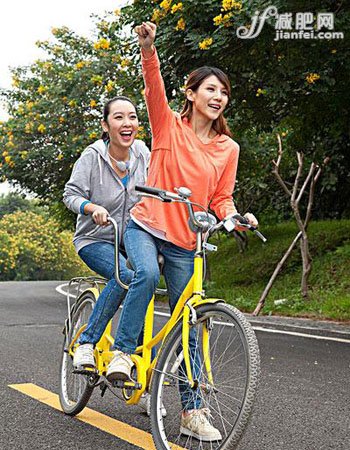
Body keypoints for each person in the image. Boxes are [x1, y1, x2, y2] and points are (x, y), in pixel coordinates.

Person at [105, 22, 258, 441]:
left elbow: (221, 198)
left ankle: (193, 411)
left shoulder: (229, 149)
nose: (218, 98)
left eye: (224, 93)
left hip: (187, 241)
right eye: (210, 89)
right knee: (145, 276)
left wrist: (235, 216)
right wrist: (148, 47)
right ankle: (122, 352)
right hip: (147, 225)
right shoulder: (169, 125)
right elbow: (152, 83)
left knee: (191, 321)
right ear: (192, 94)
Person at [63, 95, 150, 375]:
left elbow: (159, 190)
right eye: (119, 117)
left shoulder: (143, 154)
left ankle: (136, 372)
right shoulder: (92, 156)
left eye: (133, 117)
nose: (128, 123)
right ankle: (87, 342)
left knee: (144, 286)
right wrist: (91, 207)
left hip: (135, 239)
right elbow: (71, 194)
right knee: (124, 276)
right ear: (106, 124)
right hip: (95, 239)